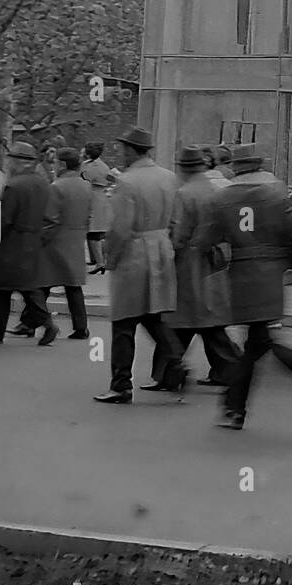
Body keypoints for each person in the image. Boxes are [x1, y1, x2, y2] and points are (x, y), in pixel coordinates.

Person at [209, 144, 292, 430]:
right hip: (271, 273)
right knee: (258, 341)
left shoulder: (223, 197)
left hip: (241, 275)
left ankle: (237, 407)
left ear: (236, 166)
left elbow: (210, 238)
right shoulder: (278, 193)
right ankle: (235, 407)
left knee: (258, 341)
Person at [93, 126, 186, 404]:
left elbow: (121, 228)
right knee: (153, 314)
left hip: (134, 252)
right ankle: (175, 359)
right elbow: (176, 221)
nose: (122, 153)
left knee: (124, 322)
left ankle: (121, 384)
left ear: (132, 150)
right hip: (160, 247)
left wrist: (109, 258)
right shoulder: (170, 178)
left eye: (124, 148)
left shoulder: (127, 182)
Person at [144, 146, 239, 390]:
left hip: (189, 264)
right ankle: (224, 370)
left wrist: (167, 254)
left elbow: (179, 233)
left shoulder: (185, 193)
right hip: (213, 262)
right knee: (207, 321)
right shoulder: (215, 190)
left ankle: (168, 374)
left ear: (182, 168)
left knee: (181, 320)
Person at [0, 142, 59, 346]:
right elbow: (51, 217)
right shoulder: (43, 183)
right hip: (33, 239)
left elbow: (4, 219)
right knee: (29, 287)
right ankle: (46, 323)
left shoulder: (14, 186)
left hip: (11, 241)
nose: (8, 163)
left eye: (11, 159)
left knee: (1, 289)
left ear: (18, 162)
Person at [38, 148, 91, 340]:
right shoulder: (86, 185)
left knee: (42, 283)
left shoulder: (56, 186)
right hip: (76, 239)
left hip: (57, 240)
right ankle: (81, 326)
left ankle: (30, 321)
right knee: (73, 285)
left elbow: (50, 218)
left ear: (62, 164)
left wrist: (40, 239)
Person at [80, 142, 113, 274]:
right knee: (98, 230)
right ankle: (98, 259)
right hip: (101, 196)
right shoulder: (103, 165)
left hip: (93, 196)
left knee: (93, 231)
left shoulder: (88, 166)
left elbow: (83, 179)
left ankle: (100, 262)